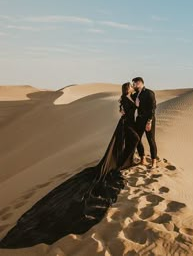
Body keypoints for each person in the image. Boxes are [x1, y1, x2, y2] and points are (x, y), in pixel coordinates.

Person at [0, 82, 140, 248]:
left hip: (126, 124)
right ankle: (123, 161)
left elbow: (124, 110)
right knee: (131, 142)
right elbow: (125, 111)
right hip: (125, 125)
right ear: (127, 89)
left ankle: (125, 160)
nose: (132, 87)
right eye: (130, 86)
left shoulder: (127, 97)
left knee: (126, 144)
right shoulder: (126, 98)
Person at [131, 77, 158, 168]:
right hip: (139, 119)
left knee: (151, 139)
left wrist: (149, 121)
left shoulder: (149, 93)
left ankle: (154, 161)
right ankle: (143, 158)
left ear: (139, 83)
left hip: (148, 120)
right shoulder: (135, 95)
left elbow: (153, 108)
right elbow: (128, 99)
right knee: (137, 138)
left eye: (134, 84)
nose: (133, 85)